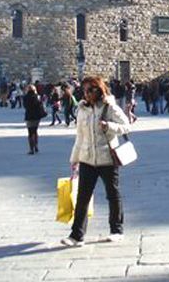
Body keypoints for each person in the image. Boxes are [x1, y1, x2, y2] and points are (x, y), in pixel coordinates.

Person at [62, 76, 131, 247]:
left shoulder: (110, 107)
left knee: (112, 194)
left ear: (99, 90)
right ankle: (77, 235)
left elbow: (126, 126)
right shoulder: (82, 109)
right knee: (82, 197)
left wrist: (109, 126)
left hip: (107, 158)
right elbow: (80, 137)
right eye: (84, 90)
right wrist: (74, 159)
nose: (87, 94)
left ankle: (116, 230)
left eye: (91, 90)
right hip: (87, 158)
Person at [24, 84, 45, 154]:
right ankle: (36, 146)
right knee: (35, 131)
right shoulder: (37, 97)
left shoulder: (25, 97)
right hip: (37, 116)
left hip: (29, 116)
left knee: (30, 133)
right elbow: (40, 105)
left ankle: (31, 149)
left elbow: (25, 106)